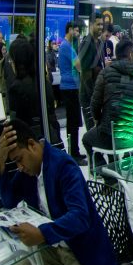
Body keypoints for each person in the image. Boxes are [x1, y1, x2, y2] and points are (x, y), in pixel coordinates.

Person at [0, 118, 118, 265]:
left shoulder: (63, 166)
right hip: (58, 247)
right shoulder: (30, 171)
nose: (20, 167)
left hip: (84, 250)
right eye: (15, 163)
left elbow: (80, 217)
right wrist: (1, 166)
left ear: (32, 145)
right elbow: (9, 202)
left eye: (19, 160)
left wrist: (42, 233)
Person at [83, 39, 133, 158]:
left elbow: (95, 104)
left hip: (111, 136)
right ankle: (125, 162)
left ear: (116, 54)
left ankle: (103, 168)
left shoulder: (105, 73)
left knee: (86, 139)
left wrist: (98, 121)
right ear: (131, 54)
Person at [7, 36, 58, 141]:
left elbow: (17, 125)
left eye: (11, 60)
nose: (10, 63)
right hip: (52, 137)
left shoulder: (16, 88)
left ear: (17, 61)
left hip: (30, 142)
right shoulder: (43, 82)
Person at [57, 21, 85, 161]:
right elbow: (79, 66)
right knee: (73, 122)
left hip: (71, 87)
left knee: (73, 121)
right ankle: (74, 153)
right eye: (76, 31)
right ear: (69, 30)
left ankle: (75, 151)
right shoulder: (66, 46)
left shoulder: (67, 46)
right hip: (70, 88)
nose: (78, 34)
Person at [75, 14, 105, 130]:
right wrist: (94, 97)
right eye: (98, 24)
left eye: (102, 24)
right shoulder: (87, 43)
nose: (101, 27)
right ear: (91, 25)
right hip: (89, 96)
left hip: (97, 94)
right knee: (93, 130)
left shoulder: (99, 42)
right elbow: (85, 75)